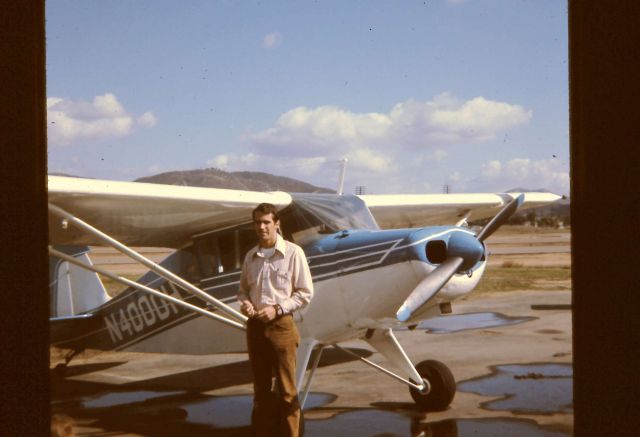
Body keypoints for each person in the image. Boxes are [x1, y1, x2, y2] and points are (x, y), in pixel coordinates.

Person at [238, 203, 314, 437]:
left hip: (281, 327)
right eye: (257, 222)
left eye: (266, 222)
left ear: (276, 224)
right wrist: (247, 304)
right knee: (261, 392)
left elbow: (305, 293)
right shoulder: (251, 257)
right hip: (255, 328)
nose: (261, 227)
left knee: (288, 392)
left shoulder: (293, 253)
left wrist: (278, 309)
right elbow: (242, 291)